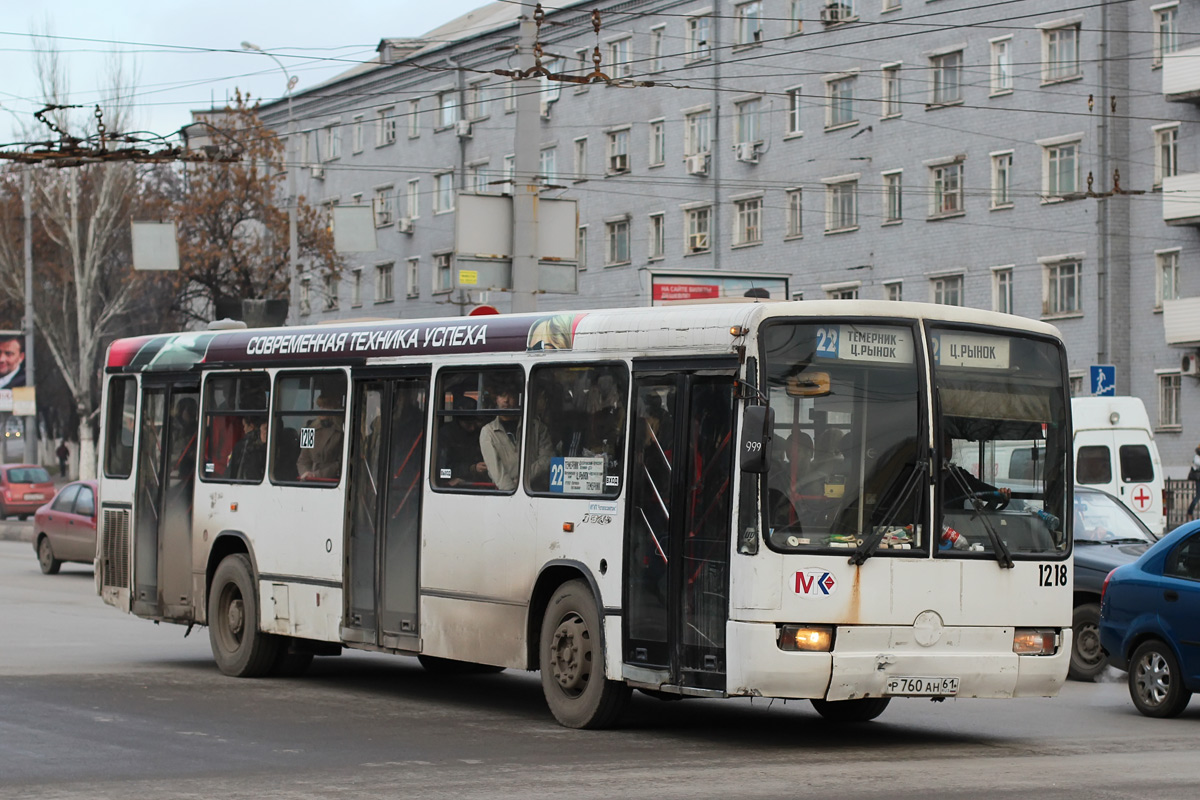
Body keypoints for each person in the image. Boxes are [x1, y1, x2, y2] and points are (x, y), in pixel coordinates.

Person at [479, 383, 552, 491]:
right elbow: (496, 469)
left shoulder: (536, 427)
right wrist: (511, 491)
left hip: (535, 490)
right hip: (505, 493)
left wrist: (523, 480)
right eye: (502, 396)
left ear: (518, 398)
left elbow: (547, 459)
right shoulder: (488, 432)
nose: (506, 400)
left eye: (511, 396)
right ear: (496, 399)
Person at [437, 398, 489, 487]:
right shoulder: (445, 435)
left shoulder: (479, 433)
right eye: (468, 424)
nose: (472, 428)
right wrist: (471, 469)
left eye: (475, 423)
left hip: (478, 482)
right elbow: (443, 471)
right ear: (458, 421)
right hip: (453, 485)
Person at [297, 389, 345, 480]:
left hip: (329, 480)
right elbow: (302, 460)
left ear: (333, 408)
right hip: (308, 479)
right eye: (320, 406)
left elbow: (340, 463)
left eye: (325, 407)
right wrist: (306, 474)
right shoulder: (309, 429)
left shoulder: (341, 431)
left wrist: (317, 475)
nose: (321, 410)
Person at [1187, 445, 1200, 520]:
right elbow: (1197, 464)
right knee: (1198, 496)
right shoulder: (1197, 456)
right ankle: (1190, 511)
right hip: (1198, 478)